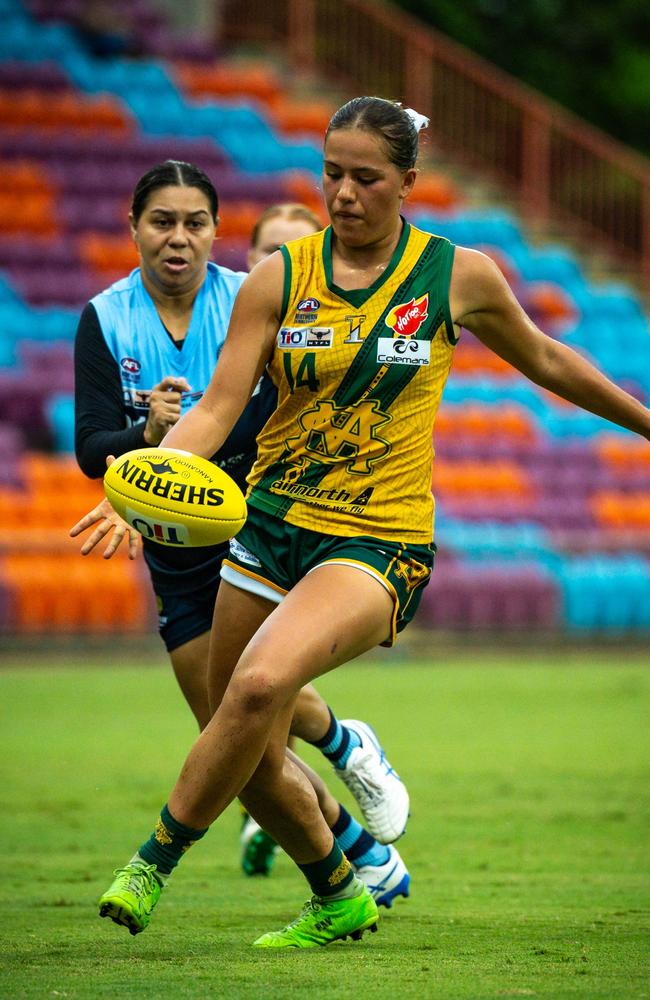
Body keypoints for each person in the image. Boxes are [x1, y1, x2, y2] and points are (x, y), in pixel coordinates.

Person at [79, 94, 650, 950]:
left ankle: (153, 860)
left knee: (263, 686)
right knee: (241, 739)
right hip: (267, 527)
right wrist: (141, 482)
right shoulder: (280, 276)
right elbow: (218, 406)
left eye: (365, 177)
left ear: (407, 182)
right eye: (332, 174)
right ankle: (340, 891)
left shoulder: (459, 275)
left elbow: (550, 359)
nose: (343, 193)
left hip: (377, 538)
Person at [71, 162, 411, 905]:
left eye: (195, 223)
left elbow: (284, 405)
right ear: (133, 226)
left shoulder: (250, 296)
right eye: (162, 221)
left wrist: (185, 444)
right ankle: (362, 852)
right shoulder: (104, 317)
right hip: (173, 550)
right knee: (235, 747)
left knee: (247, 713)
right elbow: (91, 446)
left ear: (216, 233)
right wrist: (146, 433)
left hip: (256, 524)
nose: (179, 239)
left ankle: (340, 803)